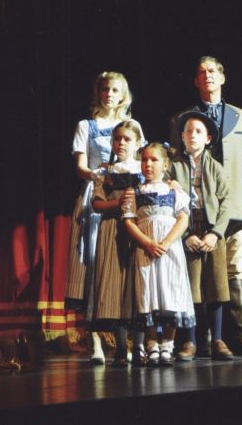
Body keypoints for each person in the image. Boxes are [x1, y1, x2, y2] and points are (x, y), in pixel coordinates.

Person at [170, 56, 242, 356]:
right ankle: (200, 339)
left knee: (231, 272)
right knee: (198, 274)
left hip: (234, 205)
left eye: (212, 71)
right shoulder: (184, 119)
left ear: (222, 78)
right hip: (195, 211)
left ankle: (237, 336)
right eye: (201, 72)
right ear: (196, 81)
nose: (207, 76)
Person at [65, 71, 144, 365]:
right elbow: (82, 166)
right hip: (97, 193)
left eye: (114, 90)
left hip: (126, 192)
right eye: (104, 89)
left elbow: (140, 160)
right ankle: (95, 339)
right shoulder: (87, 125)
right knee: (93, 264)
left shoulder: (131, 126)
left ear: (123, 94)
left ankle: (136, 339)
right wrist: (102, 176)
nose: (109, 94)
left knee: (125, 263)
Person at [122, 143, 194, 367]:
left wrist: (166, 242)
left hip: (169, 248)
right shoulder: (135, 191)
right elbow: (129, 221)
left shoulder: (174, 190)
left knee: (170, 291)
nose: (148, 164)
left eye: (153, 160)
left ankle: (167, 346)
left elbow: (183, 218)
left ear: (165, 165)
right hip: (147, 249)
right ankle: (152, 344)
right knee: (148, 292)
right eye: (144, 160)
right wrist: (148, 243)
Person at [169, 112, 233, 361]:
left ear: (207, 138)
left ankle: (217, 339)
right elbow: (169, 203)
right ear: (182, 137)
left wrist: (216, 233)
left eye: (198, 131)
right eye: (188, 131)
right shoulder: (174, 167)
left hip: (211, 228)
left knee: (216, 284)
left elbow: (227, 202)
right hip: (186, 227)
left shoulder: (216, 168)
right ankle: (190, 340)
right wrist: (184, 235)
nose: (192, 135)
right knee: (191, 286)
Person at [88, 121, 145, 367]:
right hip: (112, 229)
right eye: (117, 139)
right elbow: (96, 203)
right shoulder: (106, 171)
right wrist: (119, 202)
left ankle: (140, 345)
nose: (121, 143)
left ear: (138, 143)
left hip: (140, 230)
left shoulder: (145, 168)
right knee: (116, 287)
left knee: (138, 285)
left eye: (127, 139)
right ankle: (122, 347)